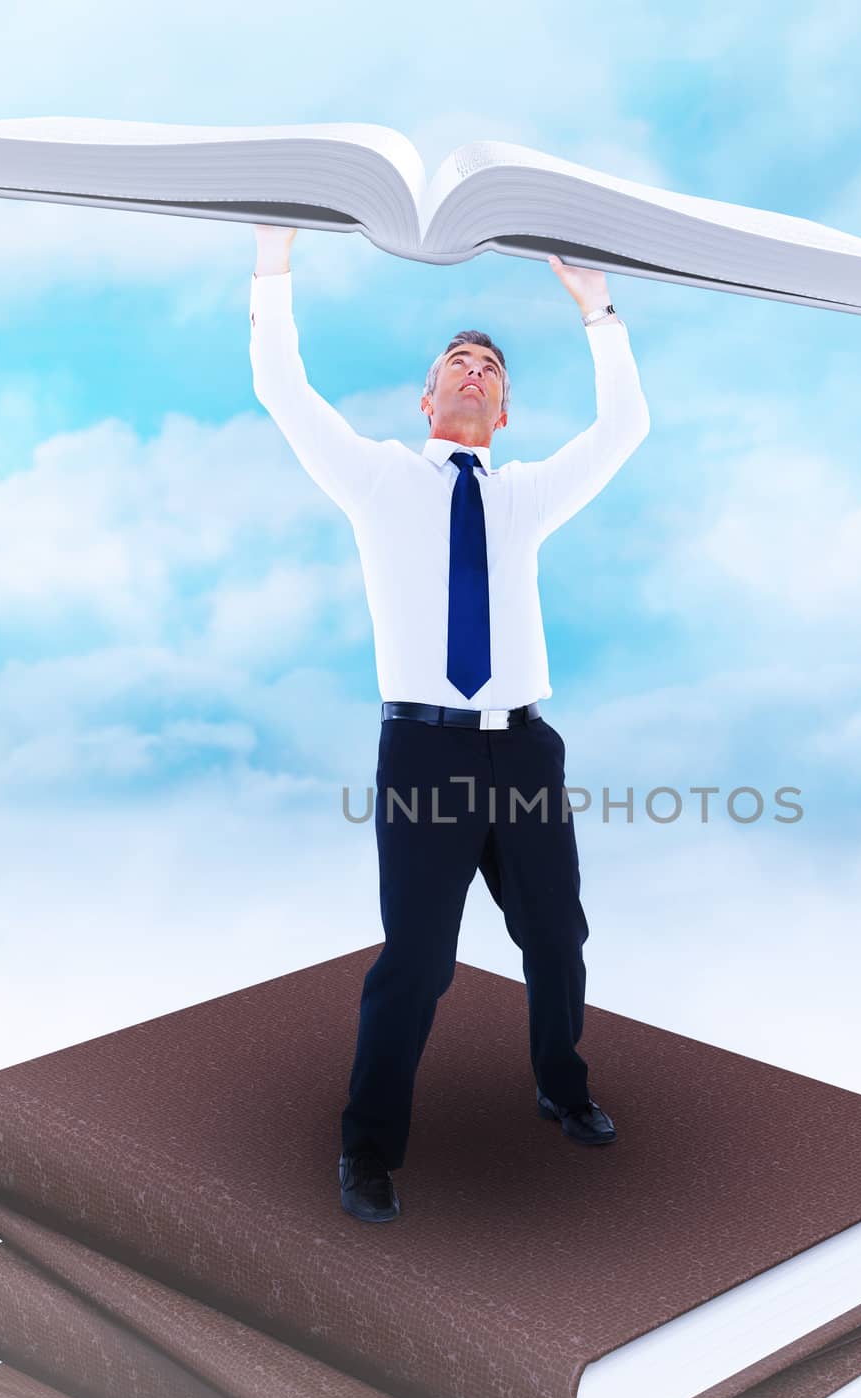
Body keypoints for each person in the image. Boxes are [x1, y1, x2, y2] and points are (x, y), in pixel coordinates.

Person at [249, 223, 650, 1223]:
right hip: (423, 749)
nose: (473, 373)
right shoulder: (378, 479)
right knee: (418, 961)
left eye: (489, 370)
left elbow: (623, 432)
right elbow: (283, 391)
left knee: (556, 934)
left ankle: (562, 1087)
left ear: (504, 413)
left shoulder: (522, 495)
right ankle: (368, 1148)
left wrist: (597, 311)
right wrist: (273, 257)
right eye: (455, 365)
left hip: (521, 747)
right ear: (426, 400)